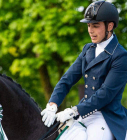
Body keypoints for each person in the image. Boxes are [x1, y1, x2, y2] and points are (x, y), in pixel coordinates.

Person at [41, 1, 127, 140]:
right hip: (83, 114)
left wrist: (73, 111)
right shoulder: (88, 49)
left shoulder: (121, 56)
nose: (90, 30)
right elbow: (67, 79)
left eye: (95, 26)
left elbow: (105, 94)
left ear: (110, 26)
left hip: (105, 117)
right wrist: (52, 104)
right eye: (88, 25)